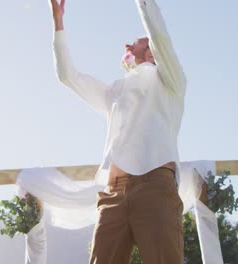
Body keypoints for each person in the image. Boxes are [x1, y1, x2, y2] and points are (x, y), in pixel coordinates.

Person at [48, 0, 187, 263]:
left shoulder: (171, 83)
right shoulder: (114, 92)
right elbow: (68, 76)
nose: (128, 44)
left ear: (153, 53)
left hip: (155, 187)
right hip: (113, 193)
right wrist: (58, 21)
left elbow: (158, 31)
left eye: (139, 40)